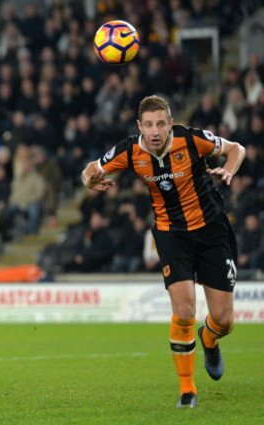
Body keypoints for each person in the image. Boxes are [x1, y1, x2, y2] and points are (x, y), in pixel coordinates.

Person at [81, 95, 246, 409]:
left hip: (212, 231)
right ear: (139, 126)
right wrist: (89, 181)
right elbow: (90, 170)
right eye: (149, 125)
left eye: (161, 124)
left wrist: (229, 170)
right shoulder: (130, 150)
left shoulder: (191, 139)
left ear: (171, 124)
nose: (155, 131)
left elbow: (237, 148)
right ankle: (187, 391)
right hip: (171, 234)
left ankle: (209, 337)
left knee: (223, 320)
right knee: (183, 311)